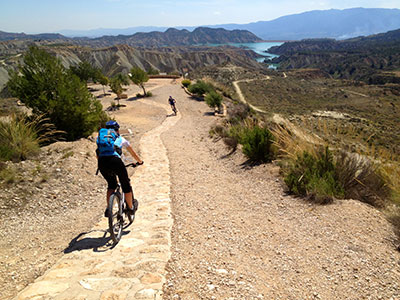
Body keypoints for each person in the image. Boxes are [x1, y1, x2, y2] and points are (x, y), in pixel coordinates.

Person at [97, 120, 143, 217]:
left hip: (102, 162)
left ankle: (108, 209)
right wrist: (140, 161)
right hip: (115, 161)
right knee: (125, 185)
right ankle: (130, 208)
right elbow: (133, 153)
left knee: (111, 185)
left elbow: (98, 153)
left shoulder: (101, 138)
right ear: (117, 129)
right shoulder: (121, 139)